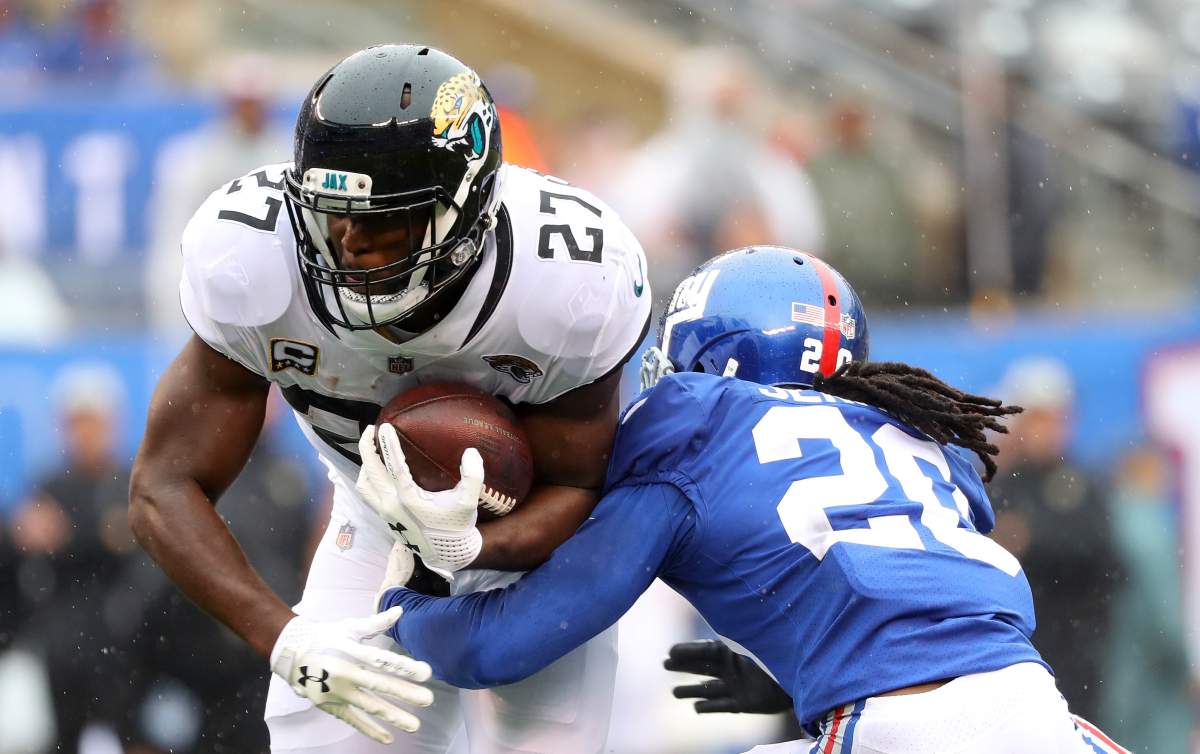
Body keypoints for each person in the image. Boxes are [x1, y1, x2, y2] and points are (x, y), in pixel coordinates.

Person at [378, 246, 1129, 753]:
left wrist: (403, 614)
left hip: (888, 732)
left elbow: (501, 646)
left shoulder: (694, 431)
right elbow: (923, 623)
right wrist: (790, 679)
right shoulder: (920, 436)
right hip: (1040, 715)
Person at [128, 45, 651, 754]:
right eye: (331, 216)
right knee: (323, 737)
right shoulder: (250, 258)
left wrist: (474, 546)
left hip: (540, 542)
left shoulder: (567, 283)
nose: (348, 243)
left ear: (464, 211)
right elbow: (162, 485)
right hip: (377, 517)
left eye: (382, 220)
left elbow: (579, 483)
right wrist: (284, 638)